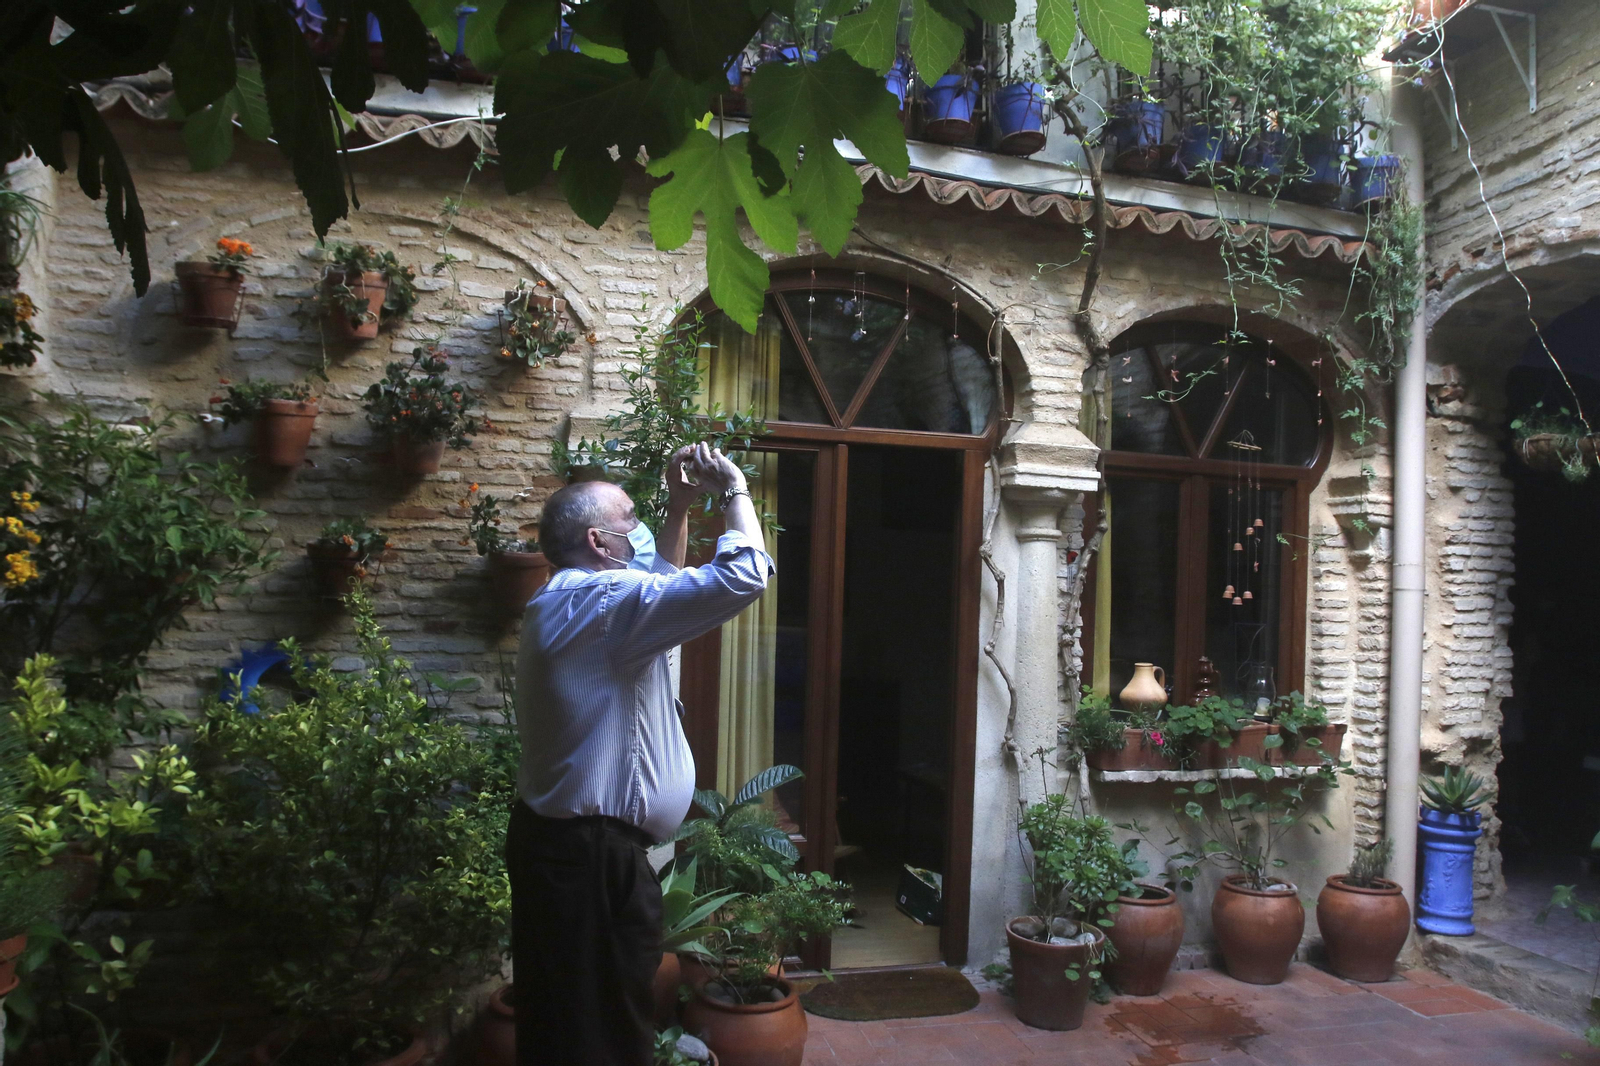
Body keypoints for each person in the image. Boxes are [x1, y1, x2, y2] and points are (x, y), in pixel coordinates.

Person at [510, 442, 771, 1065]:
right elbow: (745, 576)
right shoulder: (600, 606)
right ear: (601, 543)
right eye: (633, 521)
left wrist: (680, 506)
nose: (643, 530)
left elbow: (655, 584)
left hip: (572, 852)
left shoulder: (577, 598)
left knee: (578, 1021)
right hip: (590, 861)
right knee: (600, 1033)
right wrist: (734, 487)